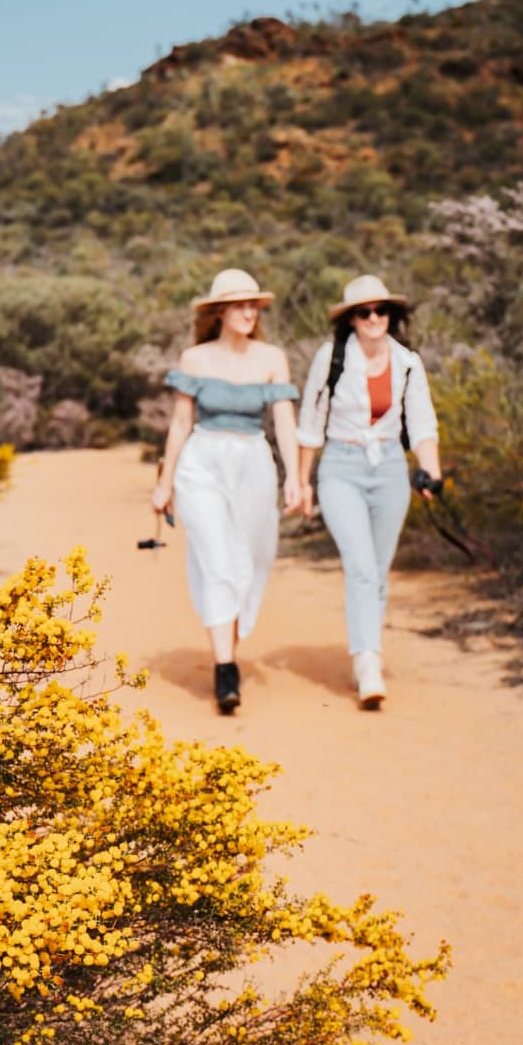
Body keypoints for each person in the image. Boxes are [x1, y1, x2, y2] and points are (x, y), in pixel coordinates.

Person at [151, 268, 300, 714]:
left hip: (253, 461)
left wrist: (294, 475)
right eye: (238, 304)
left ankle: (228, 649)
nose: (248, 312)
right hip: (202, 463)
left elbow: (285, 421)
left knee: (249, 560)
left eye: (253, 304)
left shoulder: (272, 357)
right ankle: (225, 668)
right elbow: (180, 422)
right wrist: (164, 482)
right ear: (218, 311)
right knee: (217, 558)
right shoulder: (195, 358)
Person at [296, 274, 441, 709]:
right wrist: (302, 482)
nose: (374, 318)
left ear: (391, 316)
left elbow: (421, 423)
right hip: (341, 467)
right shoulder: (331, 358)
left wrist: (431, 472)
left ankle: (367, 649)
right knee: (359, 567)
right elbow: (310, 423)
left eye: (381, 311)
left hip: (391, 470)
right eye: (364, 312)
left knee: (377, 571)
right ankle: (367, 662)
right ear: (351, 320)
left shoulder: (408, 362)